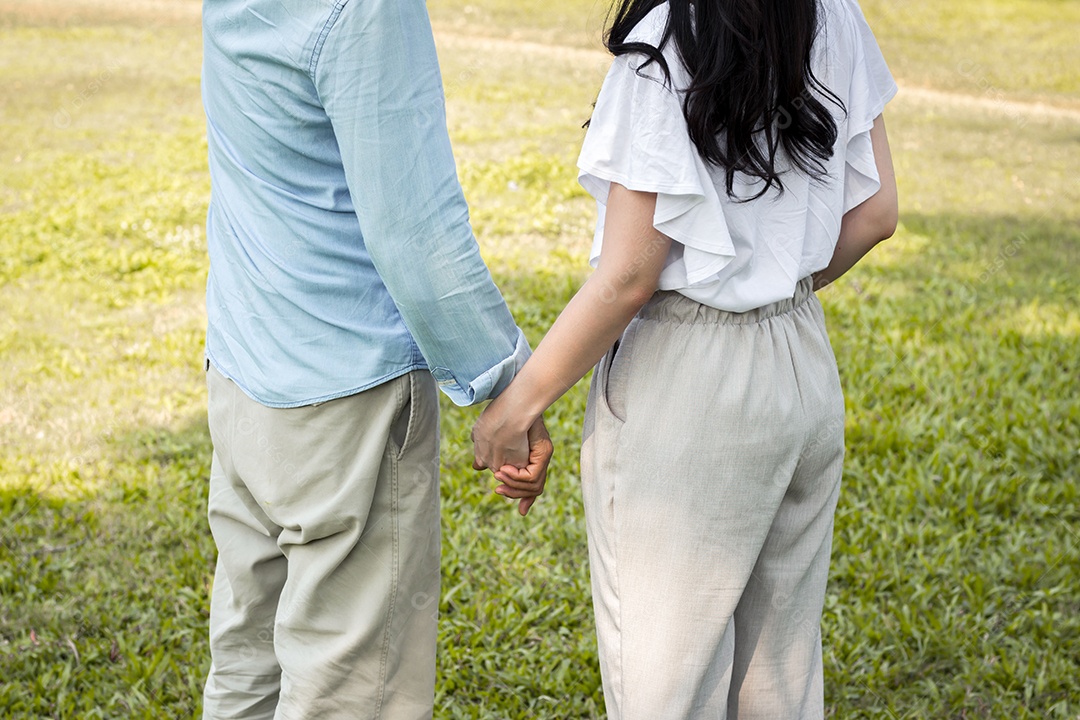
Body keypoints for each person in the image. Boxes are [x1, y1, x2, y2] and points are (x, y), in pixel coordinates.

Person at [470, 0, 898, 716]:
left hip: (687, 381)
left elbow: (630, 275)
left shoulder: (666, 41)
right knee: (779, 682)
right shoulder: (832, 15)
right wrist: (771, 285)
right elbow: (877, 214)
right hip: (799, 357)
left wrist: (516, 409)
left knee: (668, 690)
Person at [198, 0, 551, 717]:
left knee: (248, 665)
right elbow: (416, 236)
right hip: (343, 402)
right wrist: (510, 386)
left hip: (242, 372)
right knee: (350, 690)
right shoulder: (367, 10)